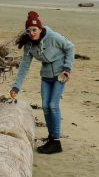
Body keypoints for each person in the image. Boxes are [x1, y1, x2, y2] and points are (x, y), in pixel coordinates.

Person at [9, 10, 75, 154]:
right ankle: (51, 138)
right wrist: (16, 87)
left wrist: (67, 68)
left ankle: (56, 142)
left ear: (40, 28)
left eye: (34, 29)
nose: (32, 33)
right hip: (46, 75)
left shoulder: (53, 36)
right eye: (29, 30)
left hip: (60, 74)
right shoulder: (29, 45)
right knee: (45, 106)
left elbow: (70, 47)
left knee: (53, 105)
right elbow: (24, 66)